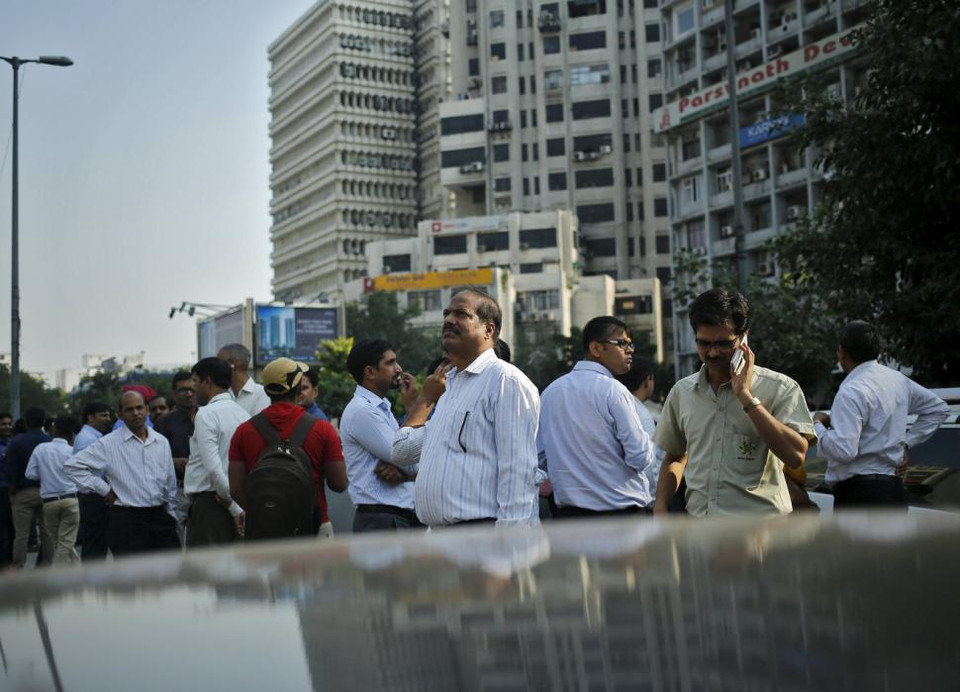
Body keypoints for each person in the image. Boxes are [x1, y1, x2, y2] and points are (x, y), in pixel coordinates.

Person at [654, 288, 815, 517]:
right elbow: (675, 457)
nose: (712, 353)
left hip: (760, 534)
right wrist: (660, 507)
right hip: (702, 533)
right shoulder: (683, 392)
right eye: (704, 344)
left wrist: (746, 397)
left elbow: (795, 456)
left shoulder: (780, 388)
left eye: (723, 344)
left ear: (744, 338)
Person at [393, 287, 540, 528]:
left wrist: (507, 547)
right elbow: (402, 452)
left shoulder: (505, 381)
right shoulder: (450, 386)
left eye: (461, 314)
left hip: (483, 535)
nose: (449, 320)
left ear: (488, 329)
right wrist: (424, 401)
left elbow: (518, 472)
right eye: (446, 313)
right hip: (442, 538)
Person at [813, 320, 949, 509]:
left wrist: (817, 424)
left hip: (859, 496)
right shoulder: (898, 380)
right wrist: (906, 444)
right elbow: (939, 409)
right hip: (894, 494)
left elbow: (843, 451)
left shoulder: (851, 390)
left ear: (842, 352)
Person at [539, 316, 655, 518]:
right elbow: (639, 456)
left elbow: (540, 458)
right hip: (621, 515)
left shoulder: (550, 392)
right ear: (596, 348)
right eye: (621, 343)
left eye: (630, 344)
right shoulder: (613, 390)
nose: (630, 350)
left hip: (570, 517)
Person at [229, 358, 348, 538]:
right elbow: (339, 484)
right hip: (314, 527)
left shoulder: (243, 432)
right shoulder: (323, 429)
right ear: (299, 388)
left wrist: (268, 511)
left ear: (267, 389)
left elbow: (236, 489)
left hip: (263, 529)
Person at [65, 391, 179, 557]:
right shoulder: (108, 443)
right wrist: (104, 489)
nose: (136, 413)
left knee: (169, 573)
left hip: (160, 517)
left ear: (146, 409)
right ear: (119, 415)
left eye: (139, 408)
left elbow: (170, 481)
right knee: (133, 578)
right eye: (129, 409)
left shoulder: (160, 441)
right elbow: (72, 466)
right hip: (127, 521)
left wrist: (172, 514)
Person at [340, 339, 422, 533]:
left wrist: (404, 475)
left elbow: (411, 458)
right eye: (391, 363)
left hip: (393, 518)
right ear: (370, 372)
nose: (399, 369)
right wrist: (415, 407)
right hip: (382, 521)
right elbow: (411, 459)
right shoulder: (363, 411)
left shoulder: (380, 407)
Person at [183, 357, 249, 546]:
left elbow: (213, 470)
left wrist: (232, 507)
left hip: (213, 504)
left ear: (207, 381)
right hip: (236, 499)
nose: (192, 388)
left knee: (207, 571)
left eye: (195, 381)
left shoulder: (206, 414)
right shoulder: (242, 414)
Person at [25, 415, 80, 565]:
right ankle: (70, 575)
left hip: (49, 502)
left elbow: (29, 474)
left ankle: (70, 575)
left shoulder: (41, 449)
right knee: (65, 543)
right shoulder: (72, 451)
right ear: (71, 433)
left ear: (54, 429)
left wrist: (46, 474)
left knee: (60, 543)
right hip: (70, 499)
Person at [6, 407, 53, 568]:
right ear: (43, 422)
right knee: (47, 532)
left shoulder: (16, 442)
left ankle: (18, 566)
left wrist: (12, 495)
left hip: (23, 493)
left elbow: (11, 471)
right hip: (46, 491)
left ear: (26, 421)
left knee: (21, 535)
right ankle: (46, 565)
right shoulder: (49, 441)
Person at [616, 356, 668, 499]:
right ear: (647, 380)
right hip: (640, 498)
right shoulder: (642, 413)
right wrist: (654, 500)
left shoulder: (618, 406)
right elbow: (650, 465)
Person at [74, 401, 113, 560]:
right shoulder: (88, 439)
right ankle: (92, 583)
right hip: (94, 497)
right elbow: (87, 472)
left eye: (108, 415)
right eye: (103, 415)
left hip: (94, 496)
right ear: (90, 417)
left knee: (96, 543)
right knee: (94, 545)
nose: (108, 419)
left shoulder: (91, 436)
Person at [218, 343, 270, 416]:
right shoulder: (222, 394)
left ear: (232, 363)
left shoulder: (262, 394)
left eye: (219, 362)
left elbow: (260, 425)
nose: (215, 368)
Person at [0, 411, 15, 566]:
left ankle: (9, 559)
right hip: (1, 489)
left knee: (11, 527)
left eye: (9, 424)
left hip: (11, 491)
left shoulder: (12, 443)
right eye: (3, 424)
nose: (7, 427)